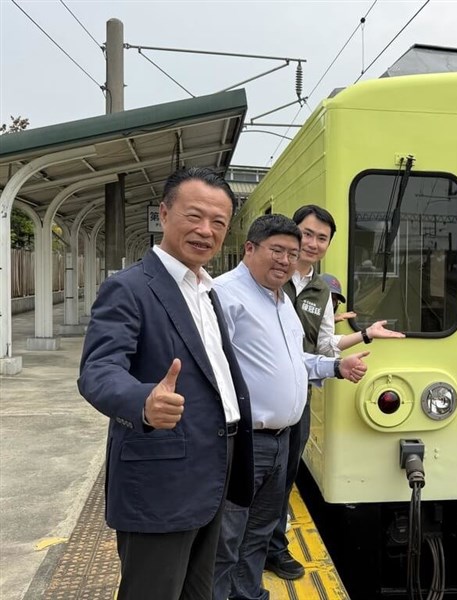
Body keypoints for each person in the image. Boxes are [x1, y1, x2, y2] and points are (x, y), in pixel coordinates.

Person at [77, 167, 254, 600]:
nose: (205, 230)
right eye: (194, 216)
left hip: (213, 469)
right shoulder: (130, 288)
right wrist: (143, 401)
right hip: (161, 479)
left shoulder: (206, 291)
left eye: (218, 222)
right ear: (163, 213)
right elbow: (98, 371)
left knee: (198, 591)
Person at [212, 214, 369, 600]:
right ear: (250, 249)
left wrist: (335, 365)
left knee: (261, 528)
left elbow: (294, 358)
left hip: (282, 439)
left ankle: (249, 594)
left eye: (292, 253)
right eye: (277, 250)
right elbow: (209, 368)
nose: (286, 260)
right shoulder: (223, 295)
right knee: (227, 535)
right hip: (244, 439)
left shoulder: (281, 299)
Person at [265, 205, 404, 580]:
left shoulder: (321, 289)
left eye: (320, 238)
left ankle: (273, 548)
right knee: (253, 475)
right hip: (257, 396)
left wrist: (366, 334)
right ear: (292, 233)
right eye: (306, 234)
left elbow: (326, 345)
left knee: (285, 475)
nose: (311, 243)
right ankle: (245, 550)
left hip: (299, 394)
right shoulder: (266, 277)